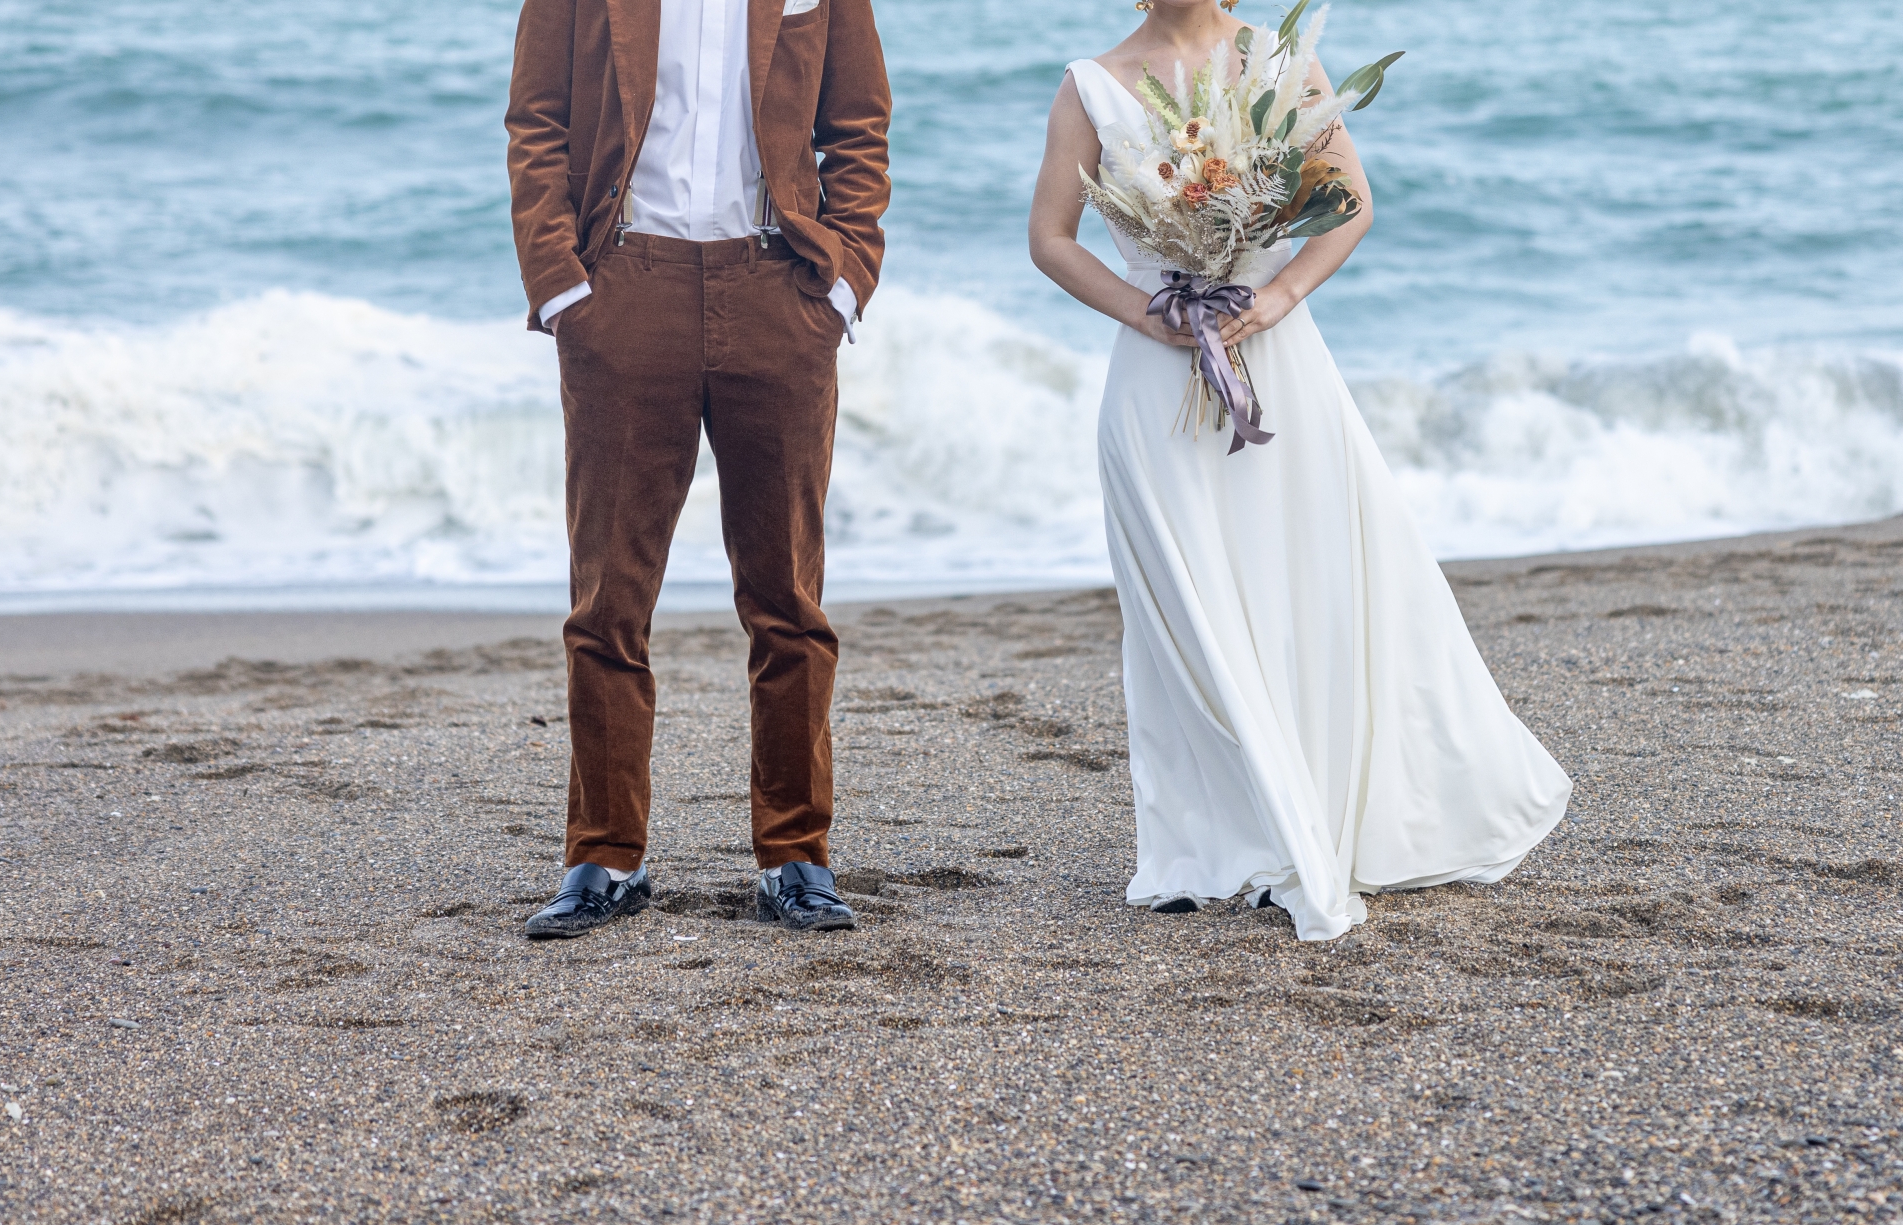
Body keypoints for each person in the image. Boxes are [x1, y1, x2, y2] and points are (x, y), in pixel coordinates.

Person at [1027, 0, 1572, 940]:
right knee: (1184, 614)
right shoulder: (1090, 85)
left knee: (1306, 590)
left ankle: (1315, 818)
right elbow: (1051, 238)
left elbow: (1350, 203)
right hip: (1156, 379)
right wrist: (1148, 309)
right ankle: (1211, 842)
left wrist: (1276, 296)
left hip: (1278, 364)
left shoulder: (1279, 62)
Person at [504, 0, 891, 939]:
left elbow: (858, 127)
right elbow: (537, 122)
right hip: (624, 288)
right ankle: (604, 855)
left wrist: (845, 282)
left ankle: (795, 855)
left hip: (778, 289)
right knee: (608, 598)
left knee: (788, 598)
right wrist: (559, 283)